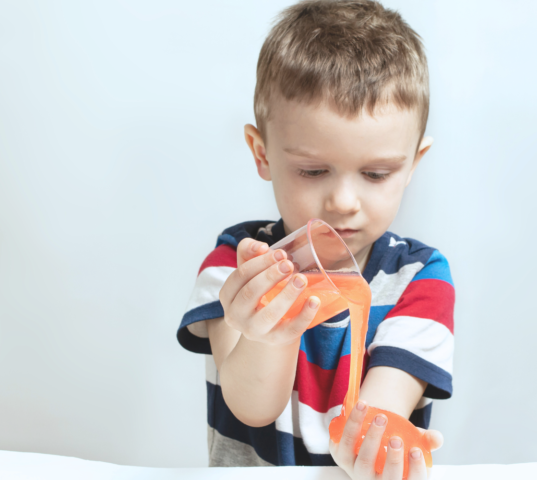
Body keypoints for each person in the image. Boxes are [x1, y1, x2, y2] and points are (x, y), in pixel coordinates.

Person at [177, 1, 455, 478]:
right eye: (312, 170)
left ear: (413, 163)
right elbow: (251, 406)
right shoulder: (236, 266)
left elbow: (380, 409)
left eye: (375, 173)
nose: (344, 202)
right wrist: (272, 333)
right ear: (262, 154)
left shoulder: (419, 279)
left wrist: (371, 438)